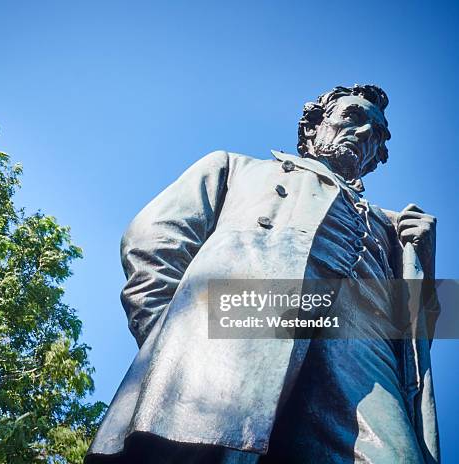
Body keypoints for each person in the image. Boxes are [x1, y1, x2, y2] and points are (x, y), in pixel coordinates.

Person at [86, 85, 439, 463]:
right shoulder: (237, 168)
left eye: (378, 133)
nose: (367, 133)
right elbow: (152, 242)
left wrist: (422, 265)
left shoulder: (393, 232)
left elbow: (411, 346)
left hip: (362, 354)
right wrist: (176, 345)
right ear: (314, 127)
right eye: (354, 117)